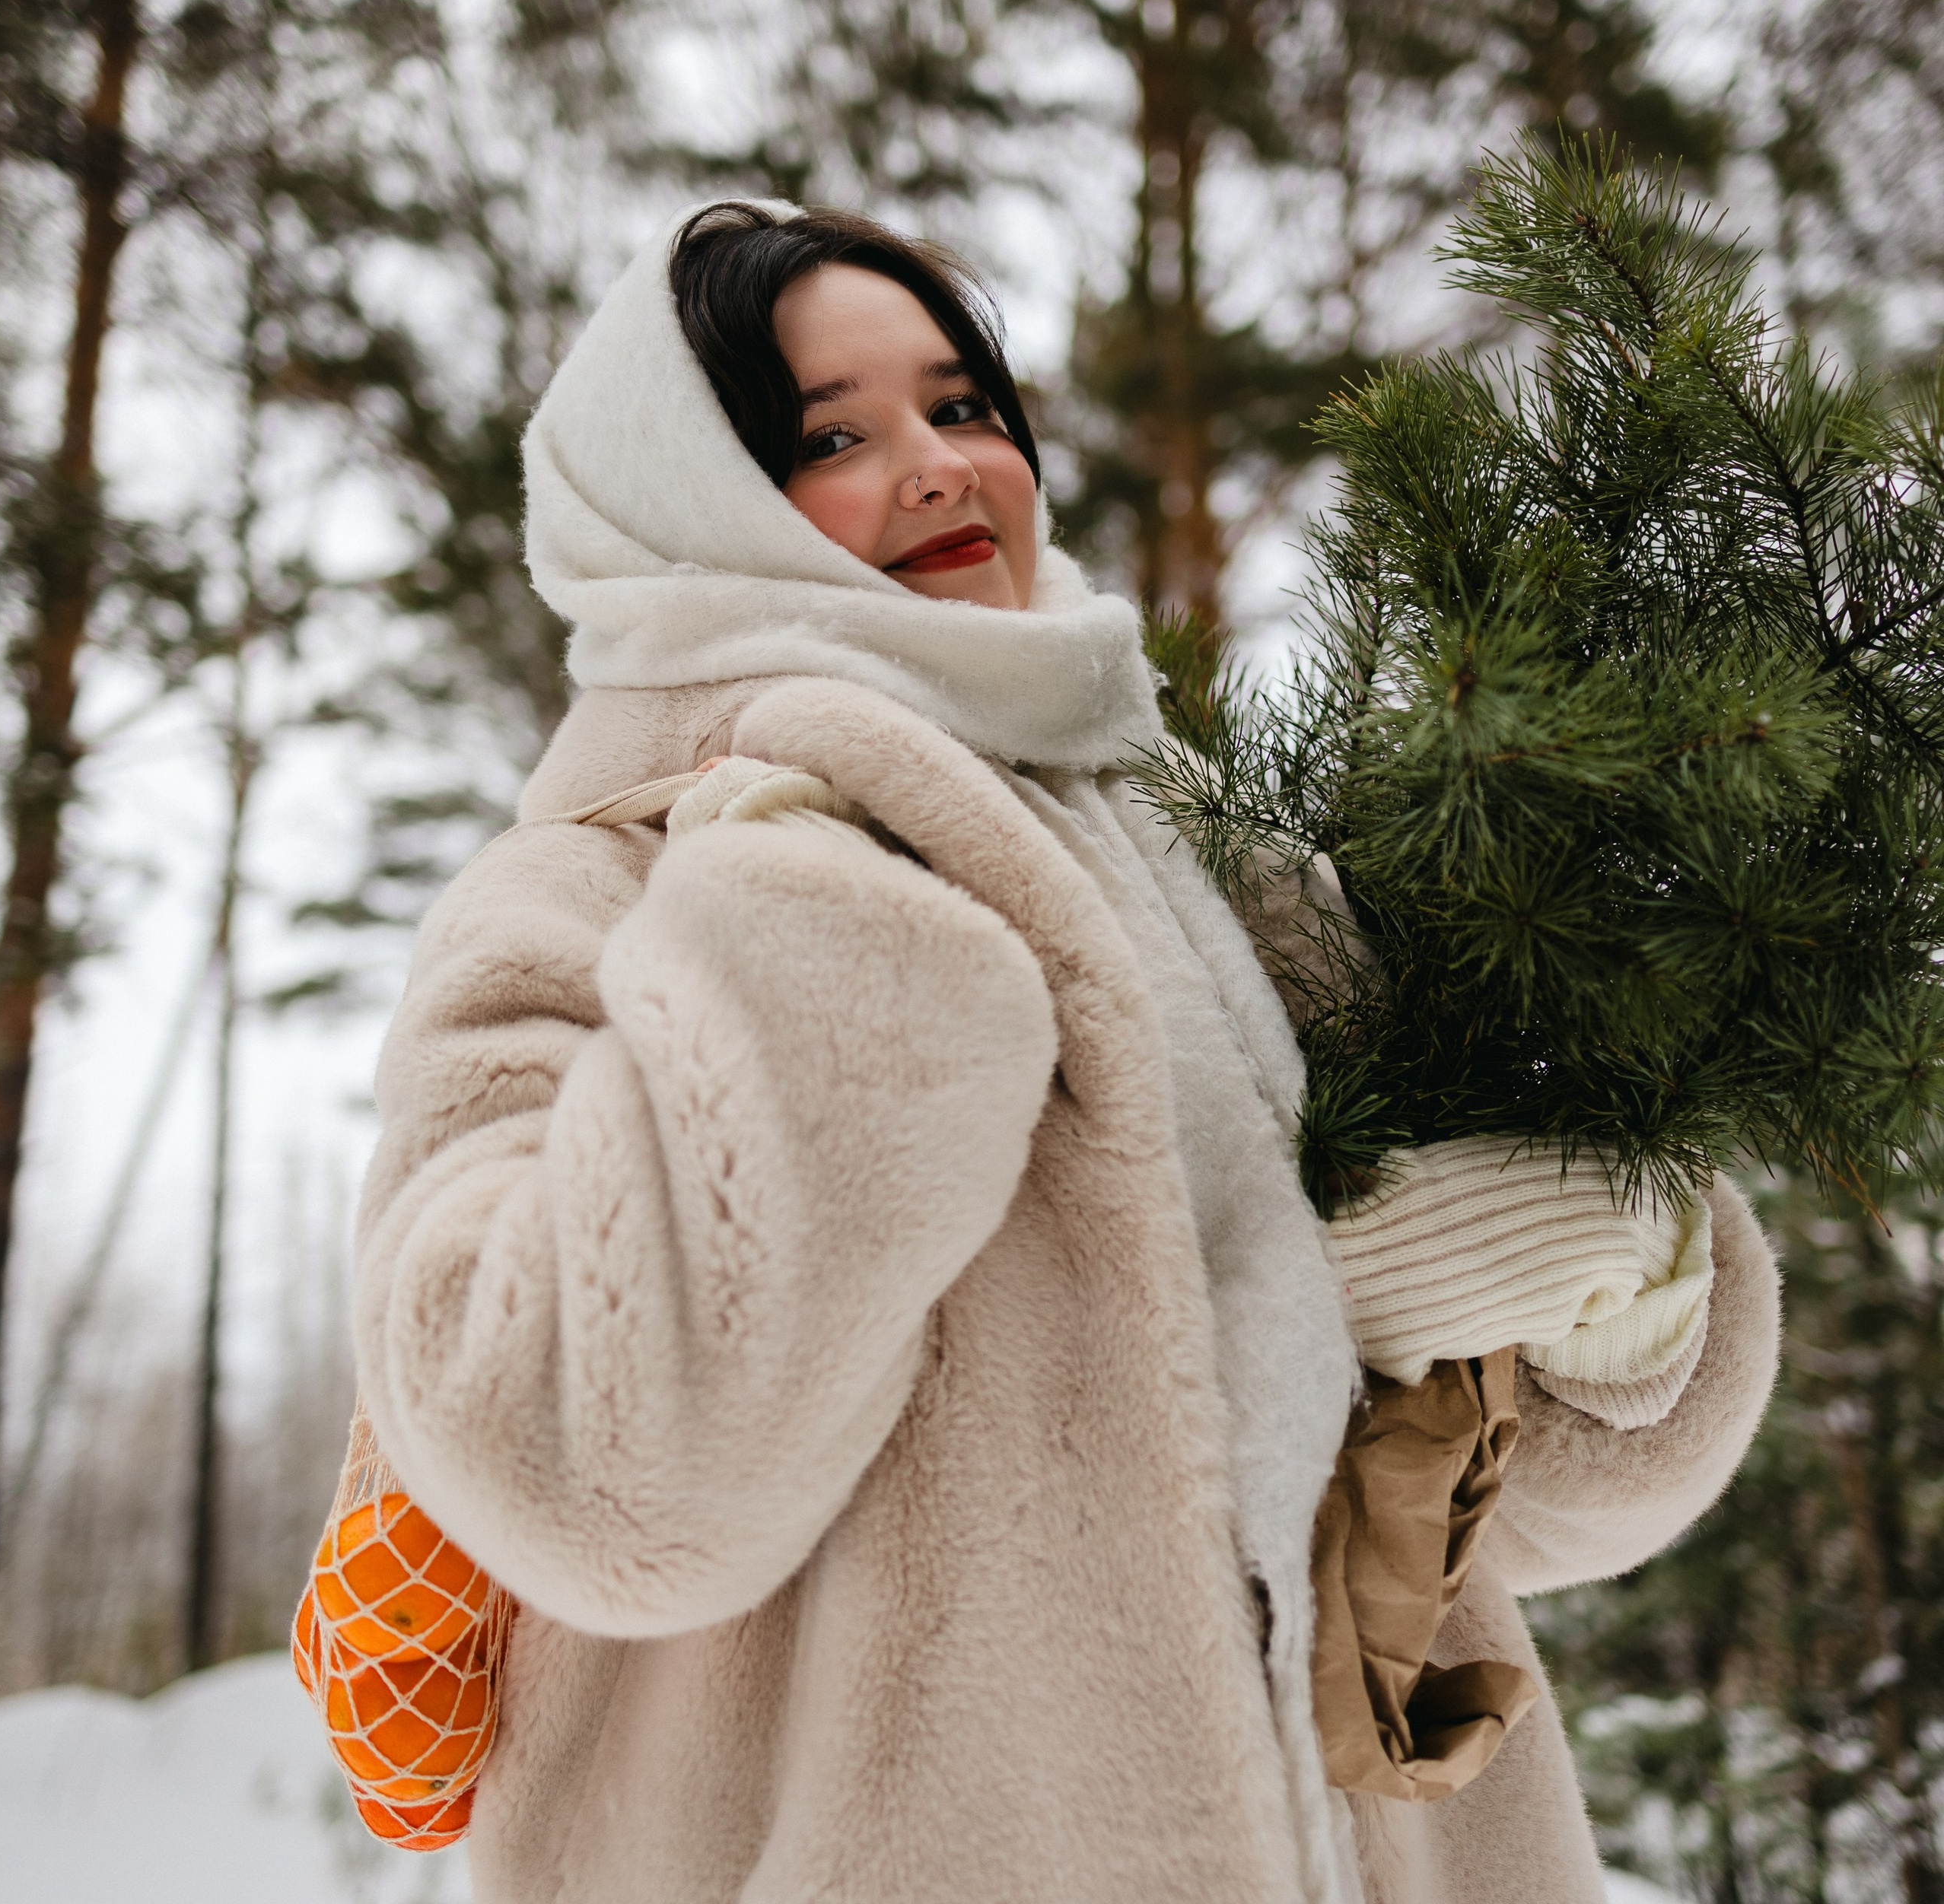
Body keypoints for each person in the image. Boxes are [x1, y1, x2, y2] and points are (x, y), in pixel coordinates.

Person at [350, 201, 1780, 1904]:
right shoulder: (590, 891)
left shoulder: (1215, 878)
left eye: (964, 408)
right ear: (688, 505)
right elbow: (604, 1486)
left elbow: (1526, 1527)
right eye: (833, 435)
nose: (942, 465)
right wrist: (812, 910)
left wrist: (1611, 1284)